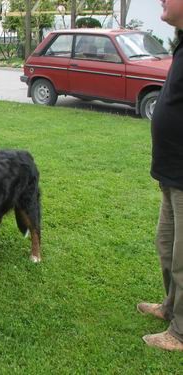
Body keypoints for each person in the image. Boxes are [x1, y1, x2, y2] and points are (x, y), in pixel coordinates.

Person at [136, 0, 183, 352]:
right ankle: (170, 308)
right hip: (171, 174)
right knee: (166, 248)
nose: (162, 1)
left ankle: (180, 333)